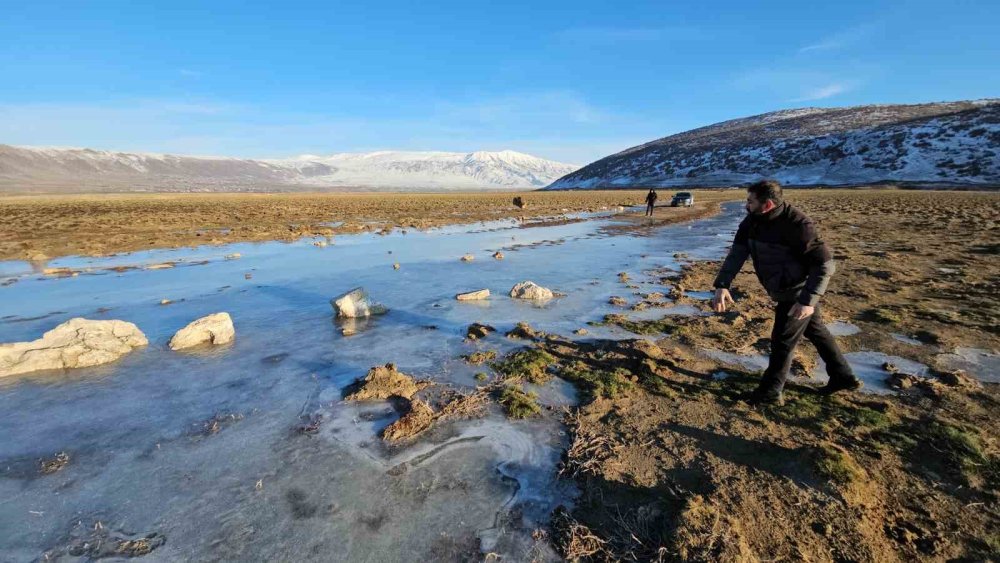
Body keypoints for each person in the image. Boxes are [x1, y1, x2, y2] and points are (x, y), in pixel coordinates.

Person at [711, 180, 862, 405]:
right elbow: (737, 254)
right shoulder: (751, 221)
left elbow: (825, 265)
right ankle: (843, 376)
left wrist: (808, 300)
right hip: (782, 288)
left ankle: (770, 393)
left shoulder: (798, 224)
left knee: (782, 341)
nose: (746, 205)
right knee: (817, 332)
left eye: (750, 201)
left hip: (798, 291)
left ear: (768, 204)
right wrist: (723, 284)